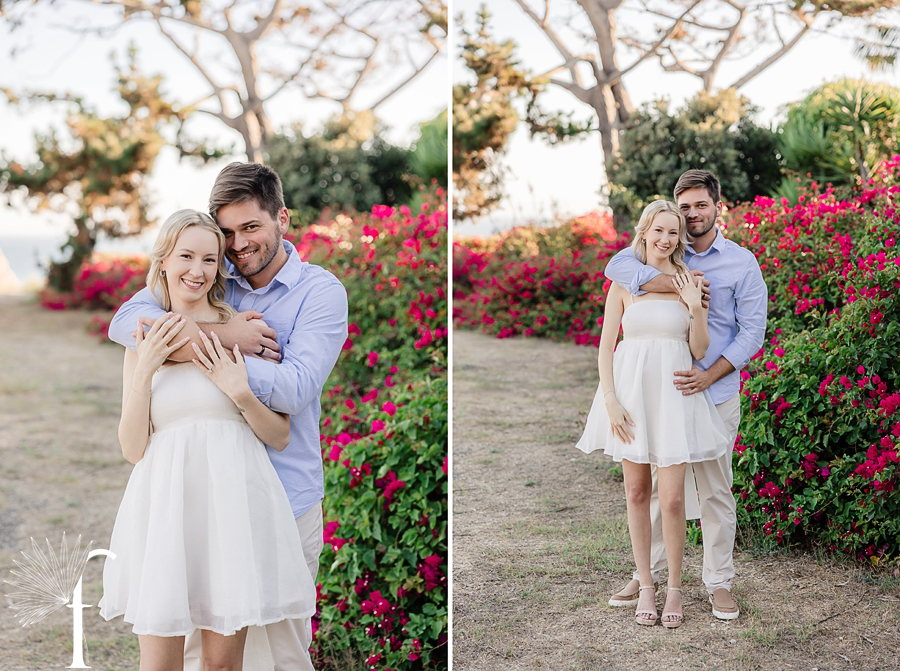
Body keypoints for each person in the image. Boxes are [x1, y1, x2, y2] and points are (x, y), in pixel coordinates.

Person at [107, 162, 348, 670]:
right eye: (228, 233)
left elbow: (297, 389)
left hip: (284, 497)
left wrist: (218, 357)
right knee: (189, 655)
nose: (238, 246)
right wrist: (225, 338)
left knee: (282, 656)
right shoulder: (218, 281)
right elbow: (127, 322)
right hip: (194, 502)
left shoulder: (320, 292)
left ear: (282, 218)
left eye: (251, 227)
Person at [603, 170, 768, 621]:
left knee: (715, 491)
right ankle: (648, 574)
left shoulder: (741, 262)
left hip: (714, 390)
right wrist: (676, 283)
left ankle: (718, 583)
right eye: (685, 206)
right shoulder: (647, 259)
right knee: (657, 492)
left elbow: (753, 332)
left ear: (718, 206)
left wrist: (709, 374)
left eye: (700, 205)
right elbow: (614, 269)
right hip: (662, 392)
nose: (693, 214)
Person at [577, 199, 732, 627]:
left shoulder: (688, 281)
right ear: (644, 231)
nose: (666, 239)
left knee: (675, 498)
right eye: (659, 230)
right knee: (636, 493)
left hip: (674, 396)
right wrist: (610, 400)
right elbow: (606, 347)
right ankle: (646, 584)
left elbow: (699, 349)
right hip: (631, 395)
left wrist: (696, 306)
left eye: (674, 232)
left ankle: (676, 590)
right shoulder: (624, 282)